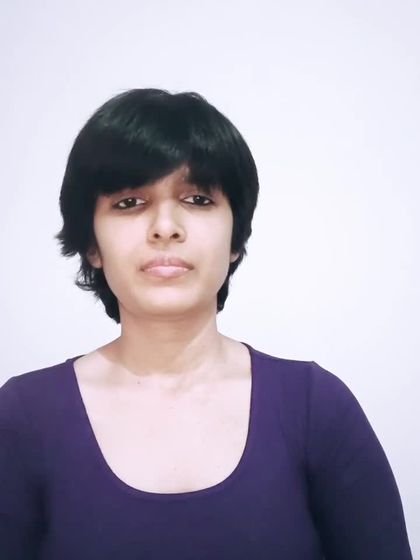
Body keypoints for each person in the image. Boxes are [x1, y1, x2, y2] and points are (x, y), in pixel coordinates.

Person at [0, 88, 413, 559]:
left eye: (197, 198)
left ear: (235, 238)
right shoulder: (24, 417)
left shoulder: (315, 408)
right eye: (129, 202)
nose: (165, 227)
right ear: (92, 244)